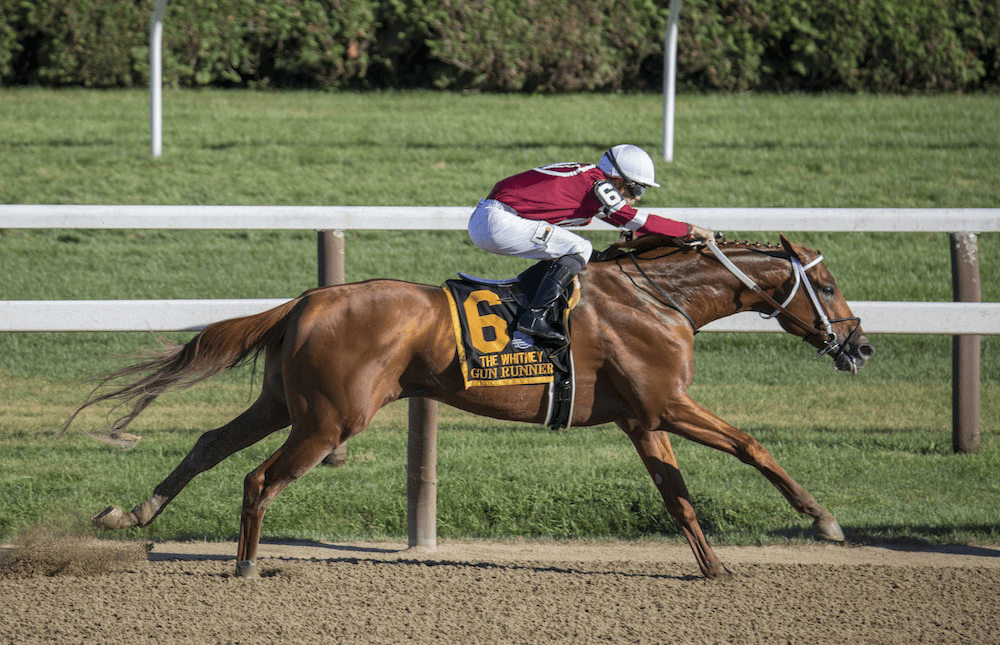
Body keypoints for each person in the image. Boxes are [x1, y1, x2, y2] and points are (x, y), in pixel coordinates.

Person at [468, 144, 714, 344]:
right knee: (580, 248)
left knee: (585, 255)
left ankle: (536, 308)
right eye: (636, 187)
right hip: (497, 220)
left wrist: (674, 239)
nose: (638, 196)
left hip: (493, 218)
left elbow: (629, 226)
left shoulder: (591, 184)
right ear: (618, 180)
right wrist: (690, 230)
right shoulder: (599, 182)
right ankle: (534, 317)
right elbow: (632, 219)